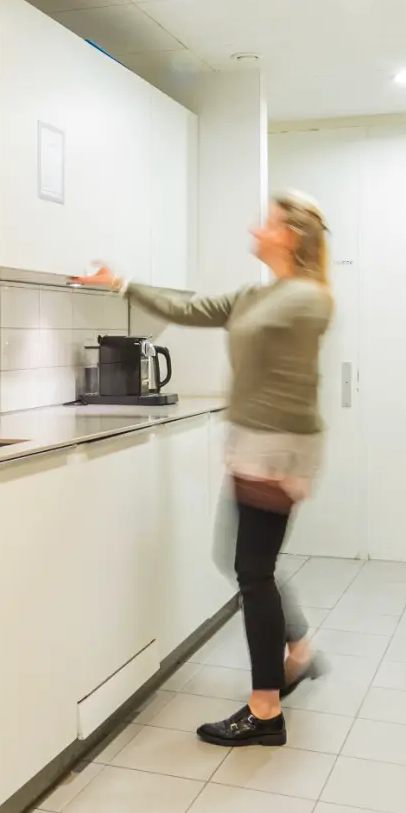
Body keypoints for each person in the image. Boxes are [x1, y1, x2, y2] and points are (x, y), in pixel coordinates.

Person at [72, 191, 333, 747]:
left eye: (268, 222)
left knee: (252, 571)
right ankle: (299, 651)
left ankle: (265, 710)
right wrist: (122, 284)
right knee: (239, 561)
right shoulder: (256, 295)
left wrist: (286, 460)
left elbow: (290, 367)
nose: (256, 227)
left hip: (277, 449)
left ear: (290, 235)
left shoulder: (309, 299)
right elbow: (188, 311)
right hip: (255, 445)